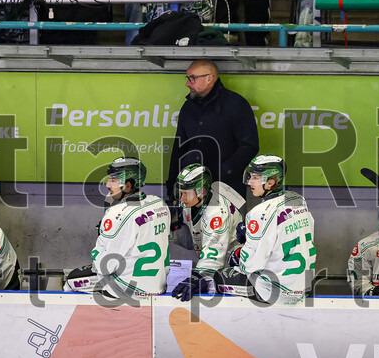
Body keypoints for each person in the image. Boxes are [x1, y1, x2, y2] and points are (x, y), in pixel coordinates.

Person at [211, 154, 315, 305]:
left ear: (271, 182)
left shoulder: (259, 213)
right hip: (303, 287)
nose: (250, 182)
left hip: (273, 292)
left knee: (215, 277)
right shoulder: (298, 200)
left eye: (256, 178)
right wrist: (254, 235)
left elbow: (250, 266)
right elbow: (282, 234)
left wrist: (238, 253)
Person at [63, 157, 171, 299]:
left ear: (128, 185)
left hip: (128, 289)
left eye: (113, 180)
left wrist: (100, 243)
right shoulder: (159, 203)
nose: (107, 185)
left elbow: (105, 267)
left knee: (71, 280)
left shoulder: (117, 214)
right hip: (158, 285)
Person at [165, 59, 258, 200]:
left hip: (226, 191)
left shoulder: (236, 104)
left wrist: (222, 173)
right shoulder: (187, 108)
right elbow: (179, 149)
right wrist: (172, 184)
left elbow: (249, 146)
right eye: (188, 78)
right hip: (190, 192)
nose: (187, 83)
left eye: (192, 78)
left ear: (209, 78)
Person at [169, 163, 245, 301]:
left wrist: (197, 277)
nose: (182, 198)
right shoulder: (193, 203)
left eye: (186, 193)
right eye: (181, 193)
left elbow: (213, 256)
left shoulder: (217, 213)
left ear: (202, 191)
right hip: (208, 258)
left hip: (229, 267)